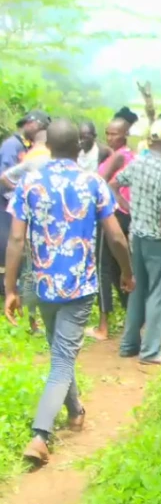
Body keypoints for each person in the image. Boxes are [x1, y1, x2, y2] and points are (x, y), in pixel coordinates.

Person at [4, 119, 133, 467]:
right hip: (79, 286)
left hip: (43, 284)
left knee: (61, 352)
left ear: (46, 146)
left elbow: (16, 239)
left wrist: (10, 288)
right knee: (62, 358)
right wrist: (127, 271)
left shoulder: (29, 182)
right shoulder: (93, 182)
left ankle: (75, 412)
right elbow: (117, 237)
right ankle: (40, 434)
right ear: (79, 147)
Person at [111, 119, 161, 365]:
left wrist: (127, 208)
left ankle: (129, 344)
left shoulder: (137, 162)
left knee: (138, 289)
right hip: (158, 240)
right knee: (160, 294)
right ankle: (151, 351)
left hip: (137, 236)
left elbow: (113, 185)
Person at [89, 114, 137, 342]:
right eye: (107, 133)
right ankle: (131, 320)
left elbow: (100, 182)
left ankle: (103, 326)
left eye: (114, 133)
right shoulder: (132, 156)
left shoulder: (118, 156)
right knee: (122, 267)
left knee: (103, 268)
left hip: (111, 215)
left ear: (125, 134)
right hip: (127, 216)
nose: (110, 137)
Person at [1, 110, 50, 291]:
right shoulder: (12, 145)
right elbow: (4, 176)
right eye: (41, 127)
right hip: (7, 205)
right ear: (31, 123)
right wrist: (22, 192)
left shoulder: (26, 146)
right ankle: (7, 288)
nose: (42, 132)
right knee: (9, 243)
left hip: (18, 206)